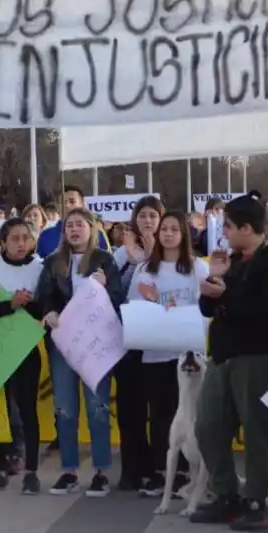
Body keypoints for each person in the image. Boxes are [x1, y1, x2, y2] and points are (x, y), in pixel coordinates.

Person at [192, 195, 268, 530]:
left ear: (247, 229)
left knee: (257, 430)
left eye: (228, 226)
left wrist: (226, 294)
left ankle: (255, 499)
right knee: (208, 425)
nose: (223, 233)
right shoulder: (232, 261)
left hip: (255, 356)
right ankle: (225, 492)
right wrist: (214, 283)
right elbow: (210, 308)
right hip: (222, 354)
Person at [37, 207, 125, 497]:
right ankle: (69, 470)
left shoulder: (104, 260)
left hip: (95, 346)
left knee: (97, 407)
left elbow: (117, 300)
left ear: (92, 228)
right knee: (65, 409)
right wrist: (48, 312)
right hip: (64, 345)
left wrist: (102, 287)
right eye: (69, 225)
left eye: (79, 225)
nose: (74, 230)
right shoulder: (52, 262)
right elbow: (44, 297)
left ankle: (101, 471)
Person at [126, 210, 208, 498]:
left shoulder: (198, 268)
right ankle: (162, 473)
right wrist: (153, 302)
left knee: (189, 412)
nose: (169, 233)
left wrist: (178, 310)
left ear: (184, 234)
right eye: (165, 229)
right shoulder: (145, 269)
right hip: (156, 355)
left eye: (175, 229)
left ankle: (189, 474)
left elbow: (207, 308)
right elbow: (133, 308)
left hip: (189, 356)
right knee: (160, 414)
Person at [0, 218, 45, 494]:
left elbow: (43, 310)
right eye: (14, 238)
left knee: (27, 409)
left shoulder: (39, 269)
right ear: (3, 242)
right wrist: (10, 304)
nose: (20, 243)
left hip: (25, 348)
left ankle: (31, 470)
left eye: (25, 238)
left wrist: (28, 305)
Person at [110, 195, 165, 490]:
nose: (147, 221)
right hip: (127, 339)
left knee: (157, 409)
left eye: (153, 216)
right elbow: (110, 288)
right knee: (130, 409)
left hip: (158, 342)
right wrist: (130, 258)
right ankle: (132, 468)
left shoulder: (169, 253)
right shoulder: (122, 253)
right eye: (142, 215)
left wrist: (151, 251)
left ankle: (158, 469)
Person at [35, 185, 109, 258]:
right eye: (63, 202)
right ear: (58, 207)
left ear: (82, 204)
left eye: (72, 201)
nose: (67, 205)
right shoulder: (46, 235)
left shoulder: (97, 233)